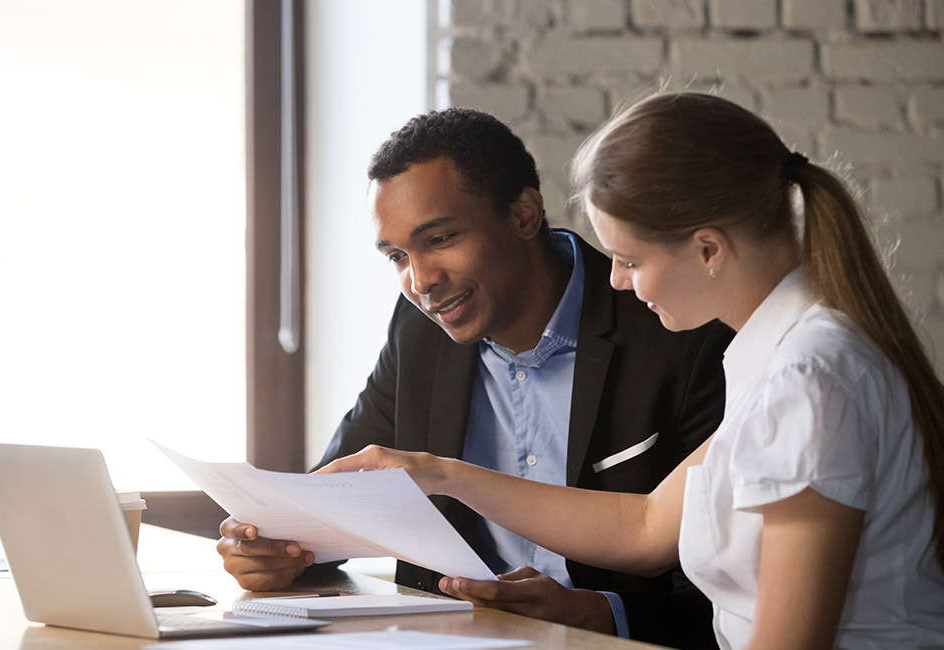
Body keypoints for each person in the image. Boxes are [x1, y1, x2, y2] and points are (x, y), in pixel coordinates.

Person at [318, 93, 944, 649]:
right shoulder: (782, 357)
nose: (614, 280)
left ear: (707, 250)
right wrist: (437, 473)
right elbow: (644, 527)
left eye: (627, 259)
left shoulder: (807, 380)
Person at [217, 107, 733, 648]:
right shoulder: (419, 332)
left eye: (439, 239)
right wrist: (276, 549)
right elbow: (338, 494)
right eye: (397, 256)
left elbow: (736, 586)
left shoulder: (681, 335)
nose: (421, 282)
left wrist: (602, 614)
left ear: (524, 214)